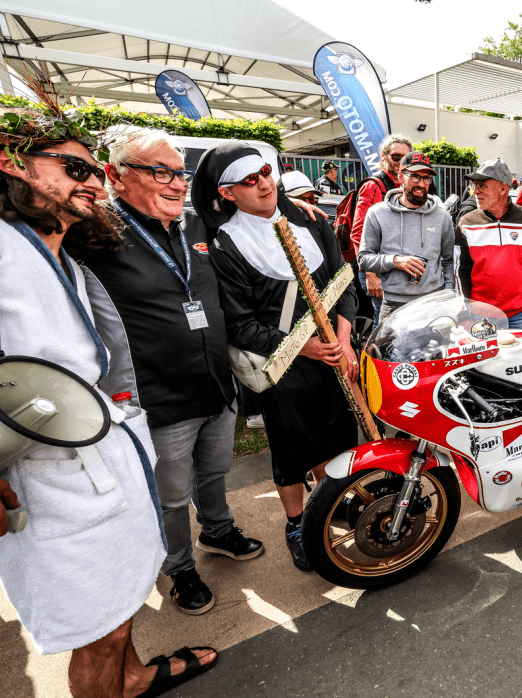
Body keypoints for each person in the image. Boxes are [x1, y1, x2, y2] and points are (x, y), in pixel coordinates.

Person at [0, 106, 215, 698]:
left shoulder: (64, 254)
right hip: (43, 474)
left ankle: (132, 678)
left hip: (103, 453)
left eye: (92, 170)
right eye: (75, 167)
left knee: (121, 600)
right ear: (10, 163)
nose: (93, 181)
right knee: (98, 631)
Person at [87, 127, 263, 616]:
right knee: (169, 494)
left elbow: (255, 205)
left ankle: (218, 531)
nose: (177, 183)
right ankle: (179, 567)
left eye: (179, 173)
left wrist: (299, 208)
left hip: (215, 381)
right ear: (116, 176)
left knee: (215, 470)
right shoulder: (94, 232)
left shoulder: (194, 225)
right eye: (160, 172)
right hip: (157, 395)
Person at [194, 141, 360, 572]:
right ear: (227, 193)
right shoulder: (226, 244)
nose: (264, 184)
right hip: (283, 365)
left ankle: (333, 503)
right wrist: (306, 346)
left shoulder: (311, 220)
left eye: (266, 172)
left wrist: (343, 339)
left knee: (340, 437)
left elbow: (345, 283)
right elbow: (239, 324)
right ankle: (297, 523)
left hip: (335, 354)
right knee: (292, 447)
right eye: (250, 180)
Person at [357, 151, 455, 323]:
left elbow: (448, 261)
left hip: (433, 304)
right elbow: (364, 259)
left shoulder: (442, 216)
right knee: (386, 342)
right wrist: (395, 261)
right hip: (394, 305)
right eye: (415, 177)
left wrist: (449, 293)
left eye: (426, 178)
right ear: (401, 176)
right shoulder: (377, 213)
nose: (421, 184)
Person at [455, 158, 522, 331]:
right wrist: (463, 313)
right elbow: (460, 271)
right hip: (480, 314)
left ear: (503, 189)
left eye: (482, 186)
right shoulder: (466, 223)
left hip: (520, 314)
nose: (475, 191)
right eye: (475, 185)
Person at [347, 134, 413, 322]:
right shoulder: (373, 186)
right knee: (385, 323)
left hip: (397, 267)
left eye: (406, 158)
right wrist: (370, 275)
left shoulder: (403, 186)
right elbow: (358, 234)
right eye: (396, 156)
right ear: (384, 157)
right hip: (377, 269)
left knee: (398, 322)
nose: (401, 162)